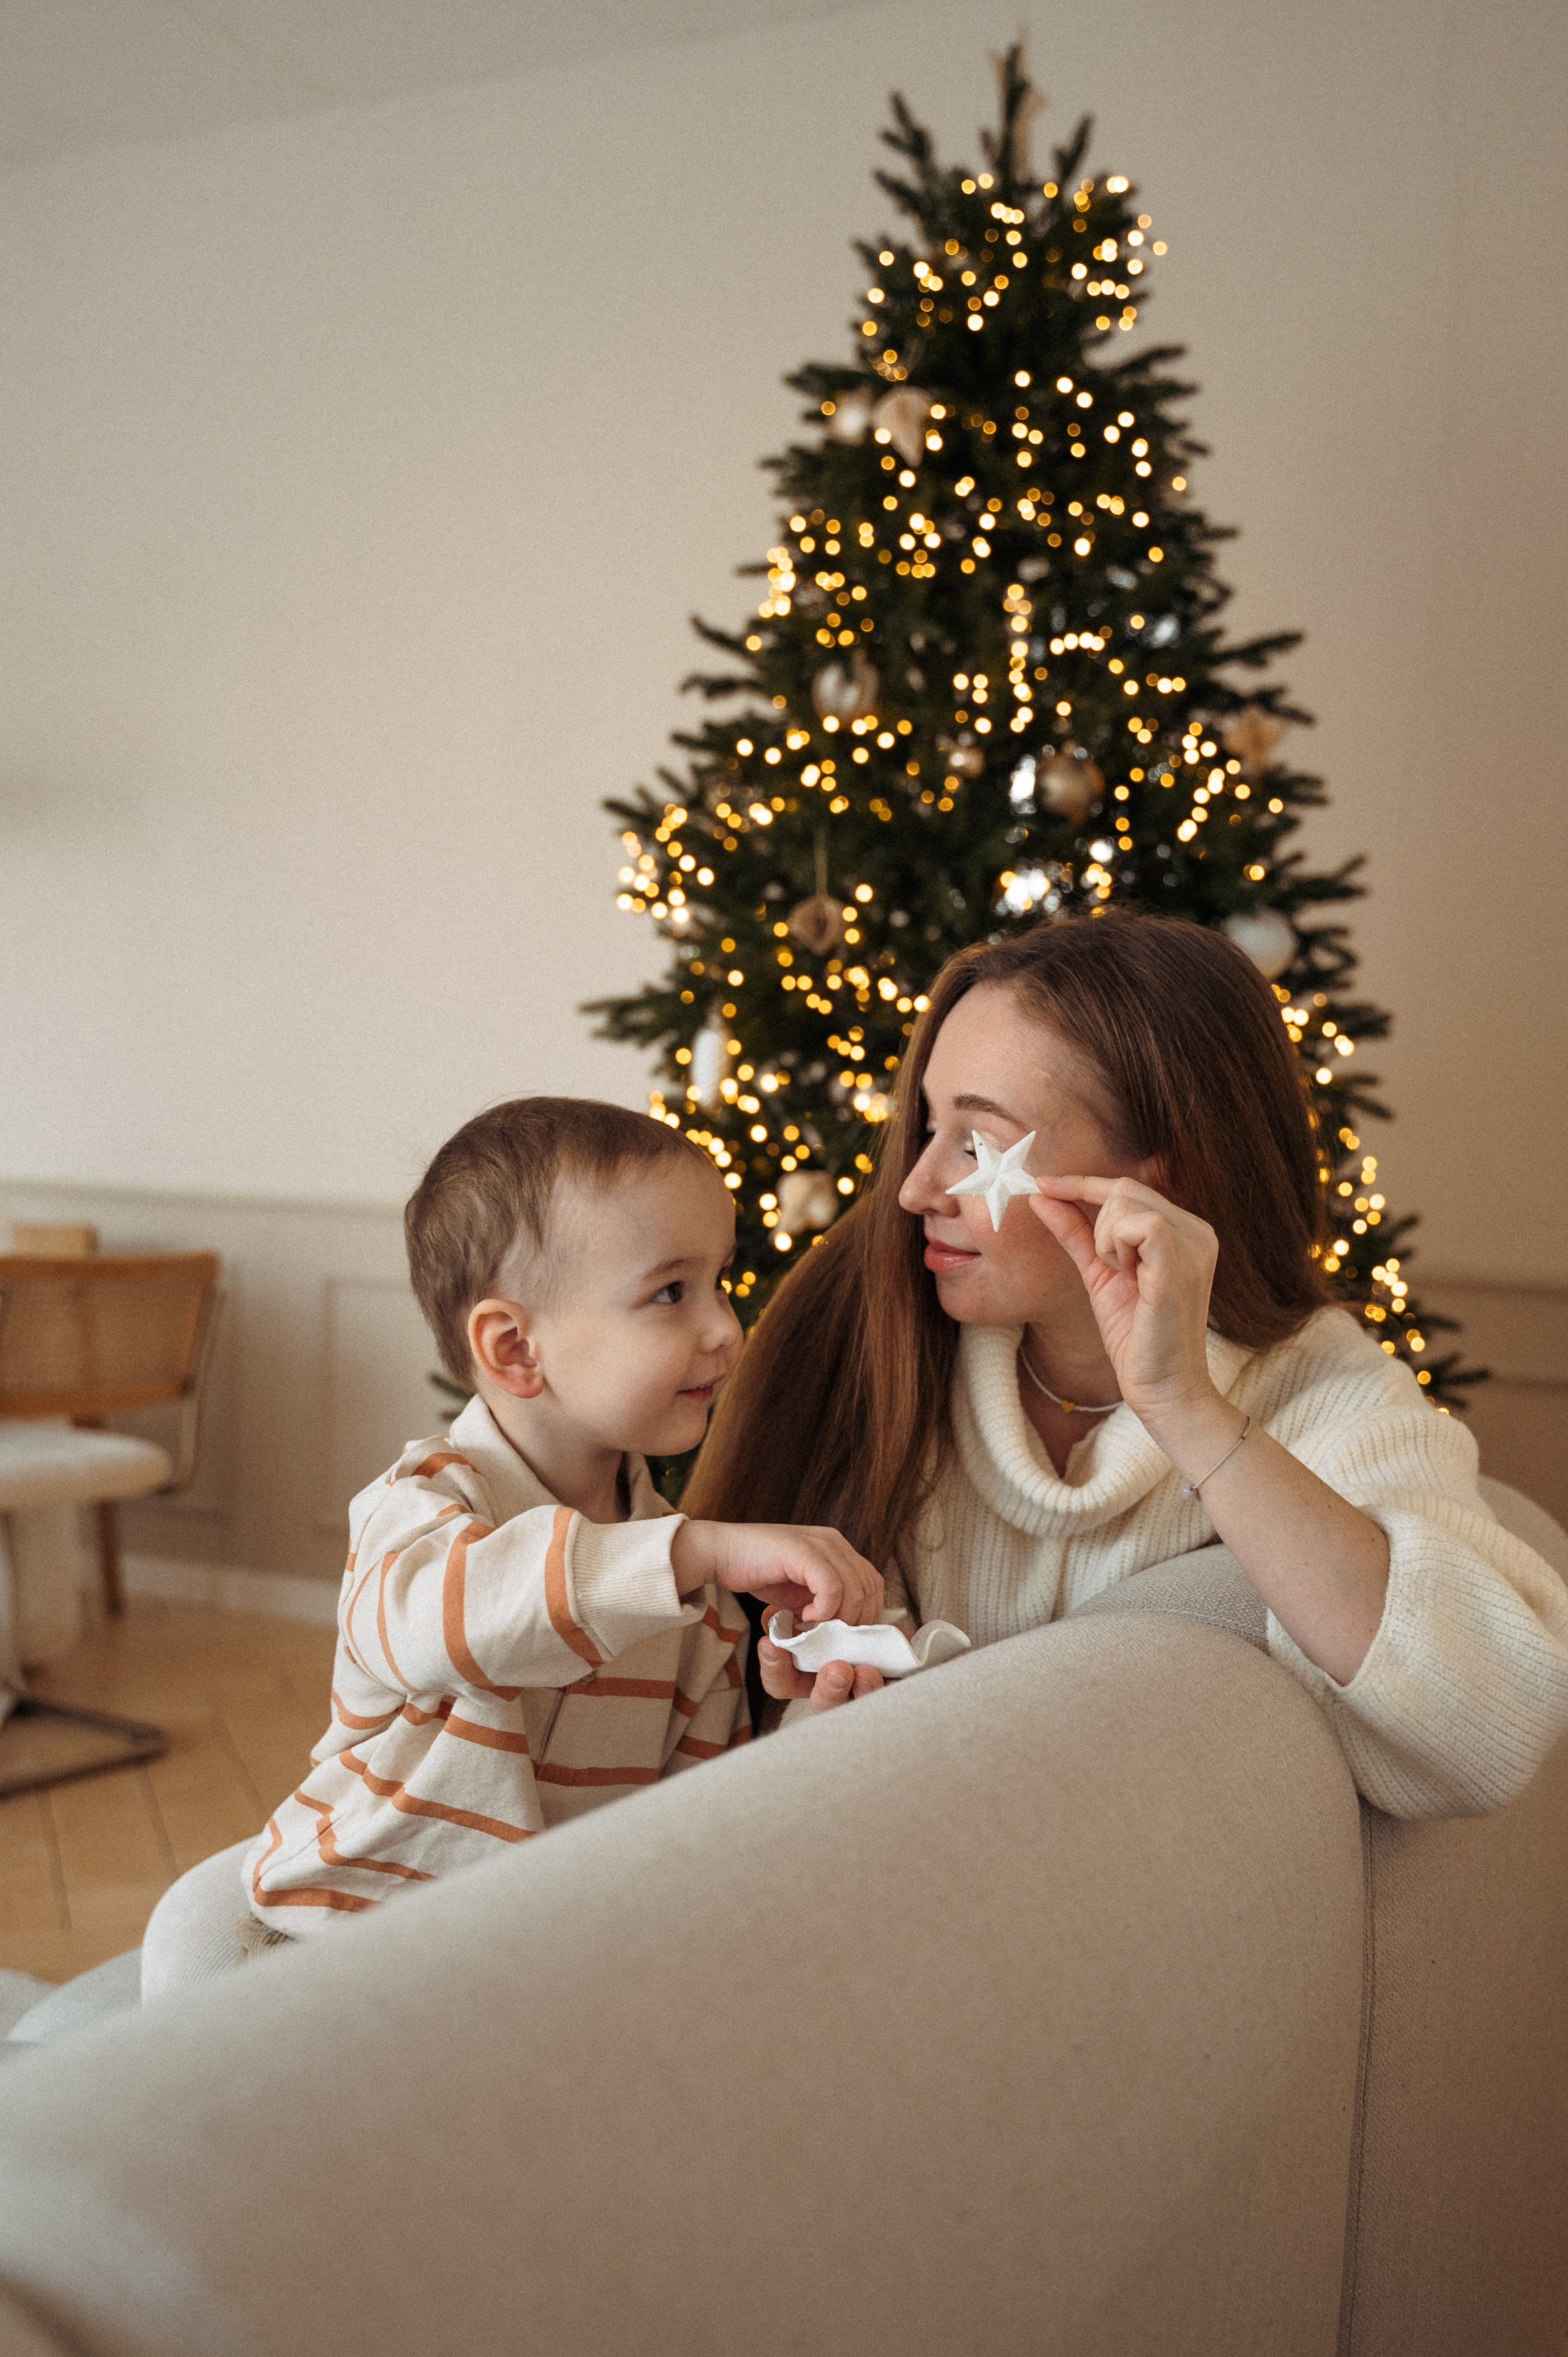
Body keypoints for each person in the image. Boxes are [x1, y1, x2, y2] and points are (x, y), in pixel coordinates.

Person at [687, 913, 1568, 1817]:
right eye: (924, 1128)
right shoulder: (878, 1340)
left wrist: (1181, 1403)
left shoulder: (1323, 1394)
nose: (914, 1189)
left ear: (1163, 1178)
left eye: (980, 1147)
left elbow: (1483, 1739)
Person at [245, 1097, 881, 1936]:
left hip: (529, 1955)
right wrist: (692, 1551)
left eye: (719, 1284)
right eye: (669, 1293)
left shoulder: (693, 1600)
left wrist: (810, 1715)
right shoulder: (422, 1509)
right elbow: (452, 1626)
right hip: (335, 1948)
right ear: (515, 1350)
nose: (727, 1328)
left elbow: (698, 1823)